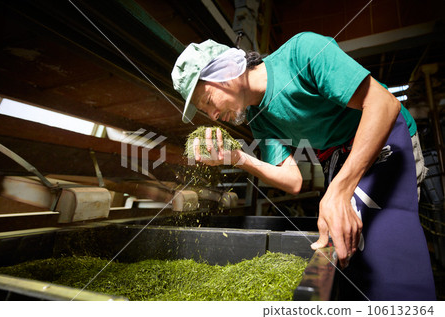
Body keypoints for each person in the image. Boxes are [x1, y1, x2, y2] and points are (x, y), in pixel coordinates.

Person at [171, 32, 436, 300]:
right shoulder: (258, 118)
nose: (213, 116)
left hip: (383, 137)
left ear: (226, 72)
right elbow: (292, 180)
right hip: (336, 156)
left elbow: (383, 104)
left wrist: (339, 191)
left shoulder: (302, 52)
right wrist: (238, 158)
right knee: (349, 252)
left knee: (387, 251)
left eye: (207, 102)